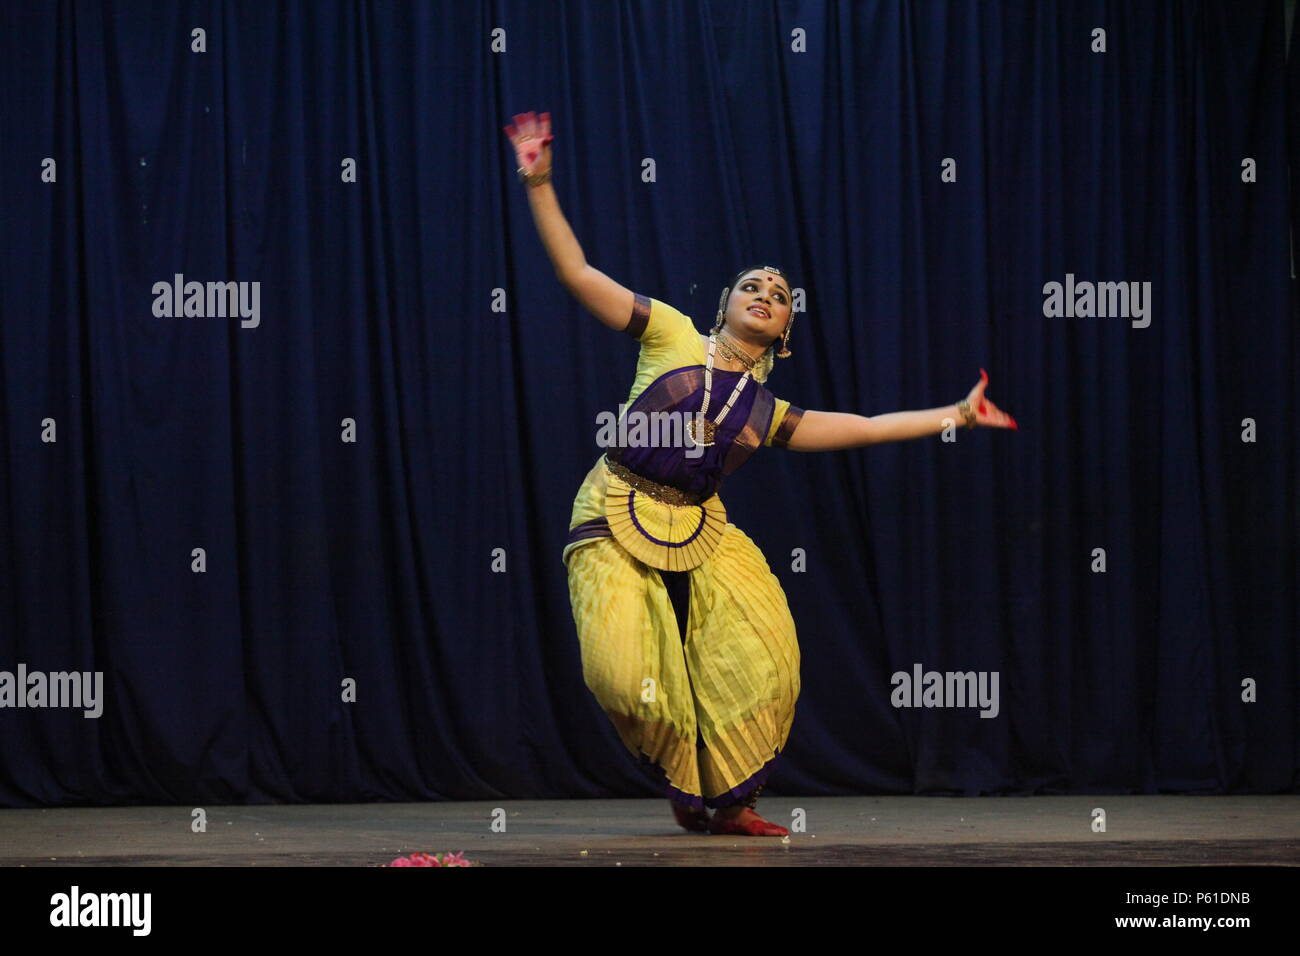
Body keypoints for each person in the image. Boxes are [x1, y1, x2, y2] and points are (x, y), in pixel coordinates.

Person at [503, 111, 1018, 836]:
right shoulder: (671, 333)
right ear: (724, 306)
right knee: (622, 677)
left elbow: (866, 429)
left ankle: (733, 804)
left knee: (764, 656)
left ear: (784, 330)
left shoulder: (768, 410)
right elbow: (576, 272)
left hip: (700, 524)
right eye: (754, 286)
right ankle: (685, 782)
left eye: (779, 296)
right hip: (616, 505)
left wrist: (954, 416)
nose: (766, 294)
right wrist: (541, 181)